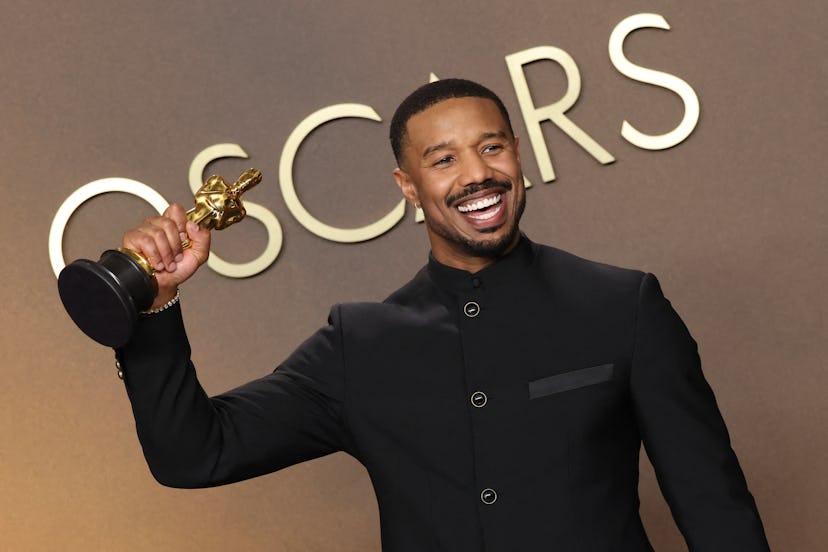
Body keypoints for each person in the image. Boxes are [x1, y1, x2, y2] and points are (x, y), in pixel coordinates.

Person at [117, 79, 770, 551]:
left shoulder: (623, 306)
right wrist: (157, 309)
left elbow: (715, 511)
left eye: (492, 149)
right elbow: (193, 455)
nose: (477, 176)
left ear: (519, 153)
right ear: (408, 186)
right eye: (444, 159)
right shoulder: (359, 346)